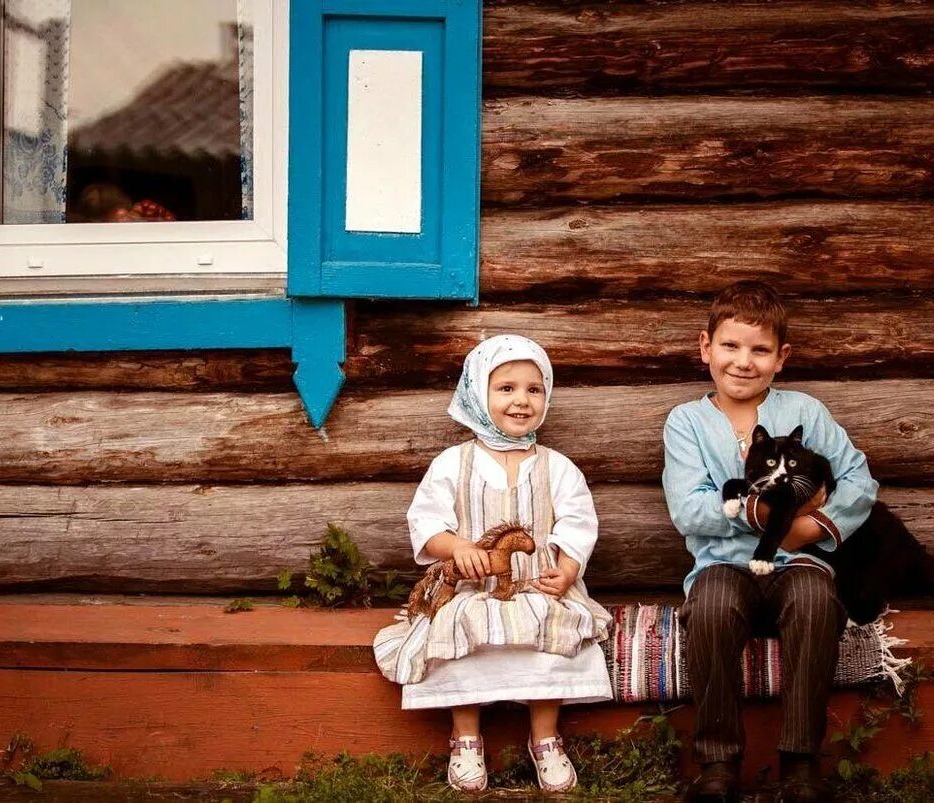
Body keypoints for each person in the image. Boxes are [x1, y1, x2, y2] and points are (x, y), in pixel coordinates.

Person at [662, 281, 878, 803]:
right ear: (705, 347)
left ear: (781, 358)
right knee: (710, 605)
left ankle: (800, 764)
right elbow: (689, 508)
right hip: (721, 566)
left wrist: (811, 527)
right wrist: (770, 517)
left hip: (799, 564)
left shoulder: (805, 412)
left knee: (815, 601)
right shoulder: (687, 422)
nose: (743, 362)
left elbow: (858, 480)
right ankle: (717, 762)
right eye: (730, 346)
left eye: (759, 350)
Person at [374, 335, 612, 793]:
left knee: (552, 629)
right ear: (476, 393)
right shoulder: (452, 463)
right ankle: (466, 735)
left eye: (534, 389)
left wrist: (567, 569)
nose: (521, 400)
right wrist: (456, 547)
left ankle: (544, 737)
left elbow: (579, 522)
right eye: (505, 388)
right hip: (473, 588)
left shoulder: (557, 467)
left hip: (538, 585)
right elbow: (425, 521)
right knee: (459, 628)